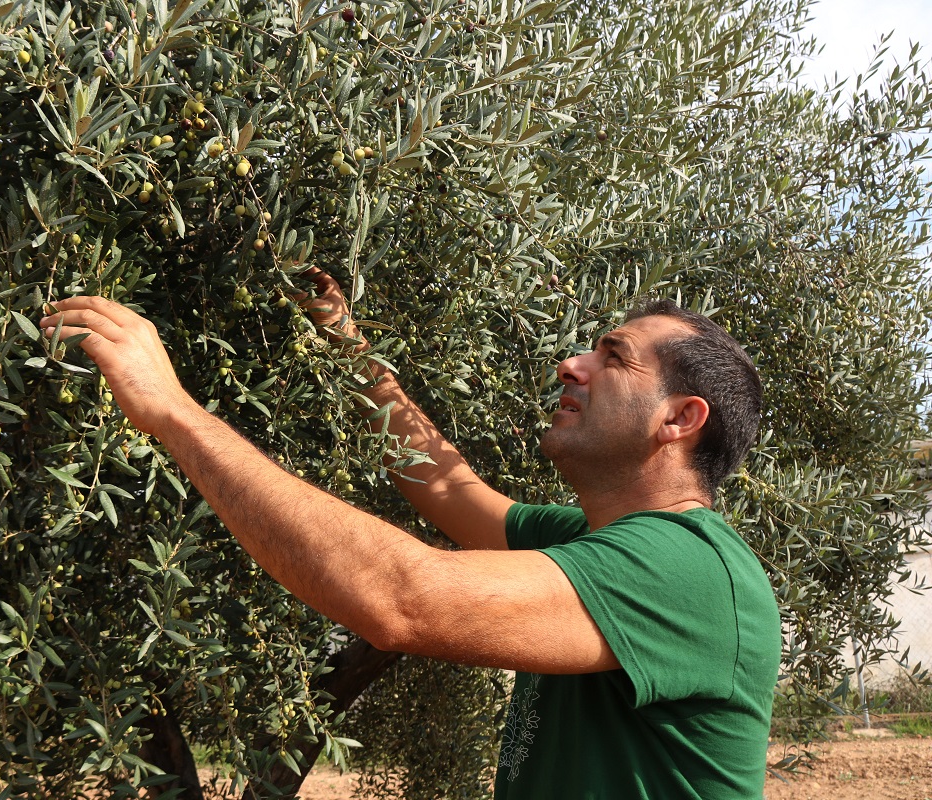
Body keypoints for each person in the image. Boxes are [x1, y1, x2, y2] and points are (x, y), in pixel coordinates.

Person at [38, 268, 782, 799]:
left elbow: (402, 598)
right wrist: (346, 342)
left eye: (612, 357)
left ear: (679, 419)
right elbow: (444, 485)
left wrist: (172, 411)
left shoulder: (688, 569)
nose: (571, 364)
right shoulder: (584, 542)